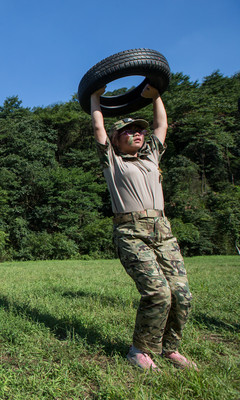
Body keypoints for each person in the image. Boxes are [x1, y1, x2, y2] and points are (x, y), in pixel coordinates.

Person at [90, 84, 195, 371]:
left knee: (182, 294)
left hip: (162, 231)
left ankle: (170, 349)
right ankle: (139, 350)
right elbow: (98, 127)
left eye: (140, 130)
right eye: (128, 130)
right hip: (131, 232)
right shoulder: (112, 161)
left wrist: (155, 96)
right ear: (115, 139)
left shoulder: (150, 158)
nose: (137, 133)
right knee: (158, 292)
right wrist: (95, 97)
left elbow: (161, 126)